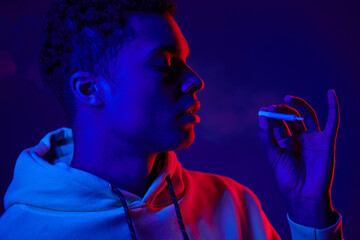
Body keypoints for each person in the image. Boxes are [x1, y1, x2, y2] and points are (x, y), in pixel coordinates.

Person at [0, 0, 343, 239]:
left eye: (185, 61)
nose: (195, 80)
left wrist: (308, 211)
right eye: (165, 64)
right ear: (90, 88)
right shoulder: (20, 232)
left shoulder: (232, 204)